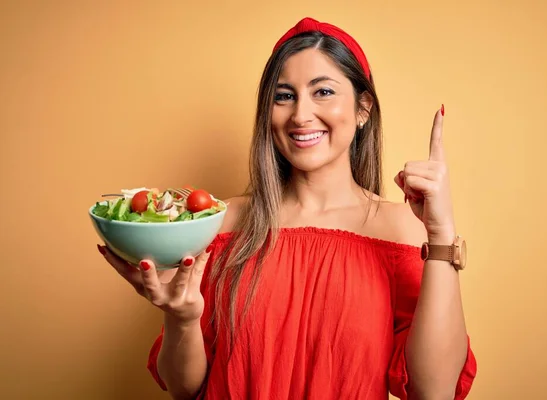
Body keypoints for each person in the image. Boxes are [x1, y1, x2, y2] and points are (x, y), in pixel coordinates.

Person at [98, 17, 477, 400]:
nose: (300, 114)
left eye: (323, 92)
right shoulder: (222, 222)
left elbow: (435, 391)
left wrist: (442, 237)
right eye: (284, 96)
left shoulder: (401, 231)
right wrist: (181, 317)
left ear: (363, 108)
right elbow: (185, 387)